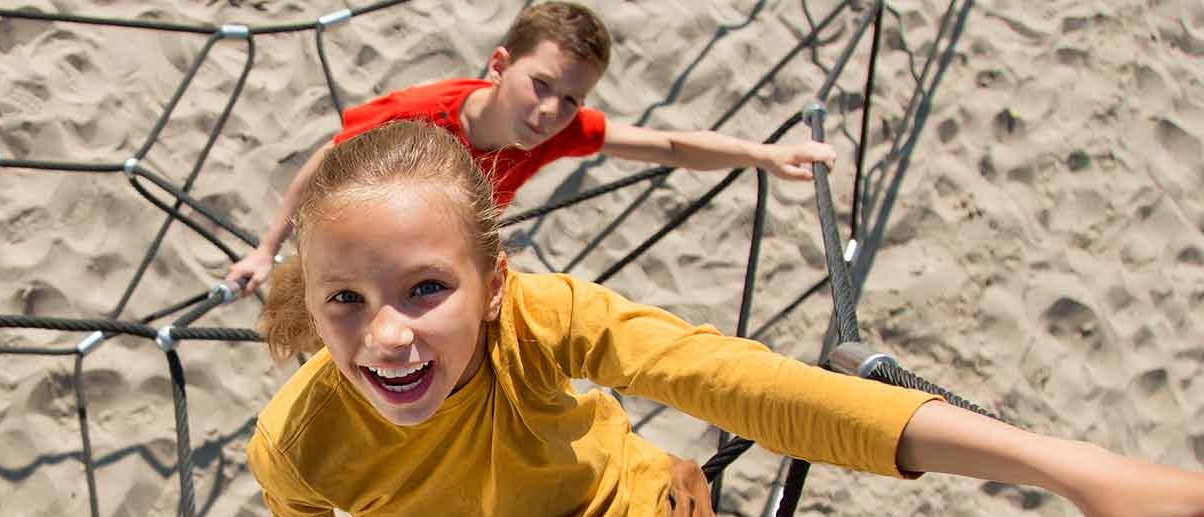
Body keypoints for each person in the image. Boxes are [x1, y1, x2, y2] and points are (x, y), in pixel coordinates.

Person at [247, 121, 1204, 517]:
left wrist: (1075, 472)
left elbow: (746, 384)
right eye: (345, 298)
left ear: (494, 284)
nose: (386, 335)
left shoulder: (541, 322)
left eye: (427, 288)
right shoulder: (300, 437)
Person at [224, 1, 836, 296]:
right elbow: (329, 161)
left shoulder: (559, 131)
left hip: (444, 244)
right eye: (540, 86)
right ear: (499, 66)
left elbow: (669, 144)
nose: (550, 113)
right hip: (376, 234)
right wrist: (266, 247)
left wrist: (760, 155)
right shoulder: (421, 116)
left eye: (570, 99)